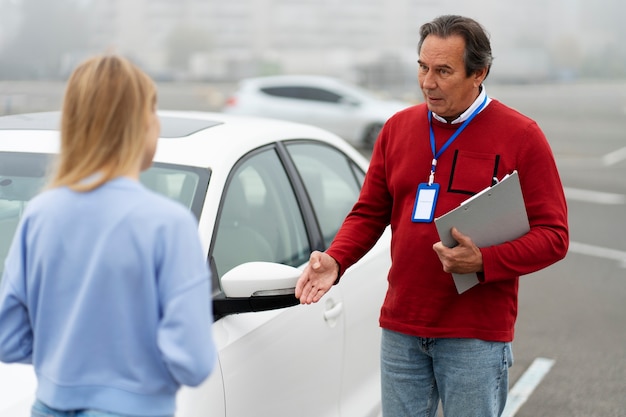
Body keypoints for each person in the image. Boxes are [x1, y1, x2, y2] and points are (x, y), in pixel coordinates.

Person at [295, 15, 568, 417]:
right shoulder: (397, 128)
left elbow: (554, 235)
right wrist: (336, 259)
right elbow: (369, 212)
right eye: (423, 67)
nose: (427, 82)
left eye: (443, 71)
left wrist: (484, 261)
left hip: (475, 336)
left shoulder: (522, 136)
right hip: (402, 329)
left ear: (479, 73)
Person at [0, 54, 216, 417]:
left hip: (49, 405)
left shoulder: (39, 214)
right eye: (154, 111)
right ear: (138, 124)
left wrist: (69, 361)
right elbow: (193, 362)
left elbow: (7, 337)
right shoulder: (169, 224)